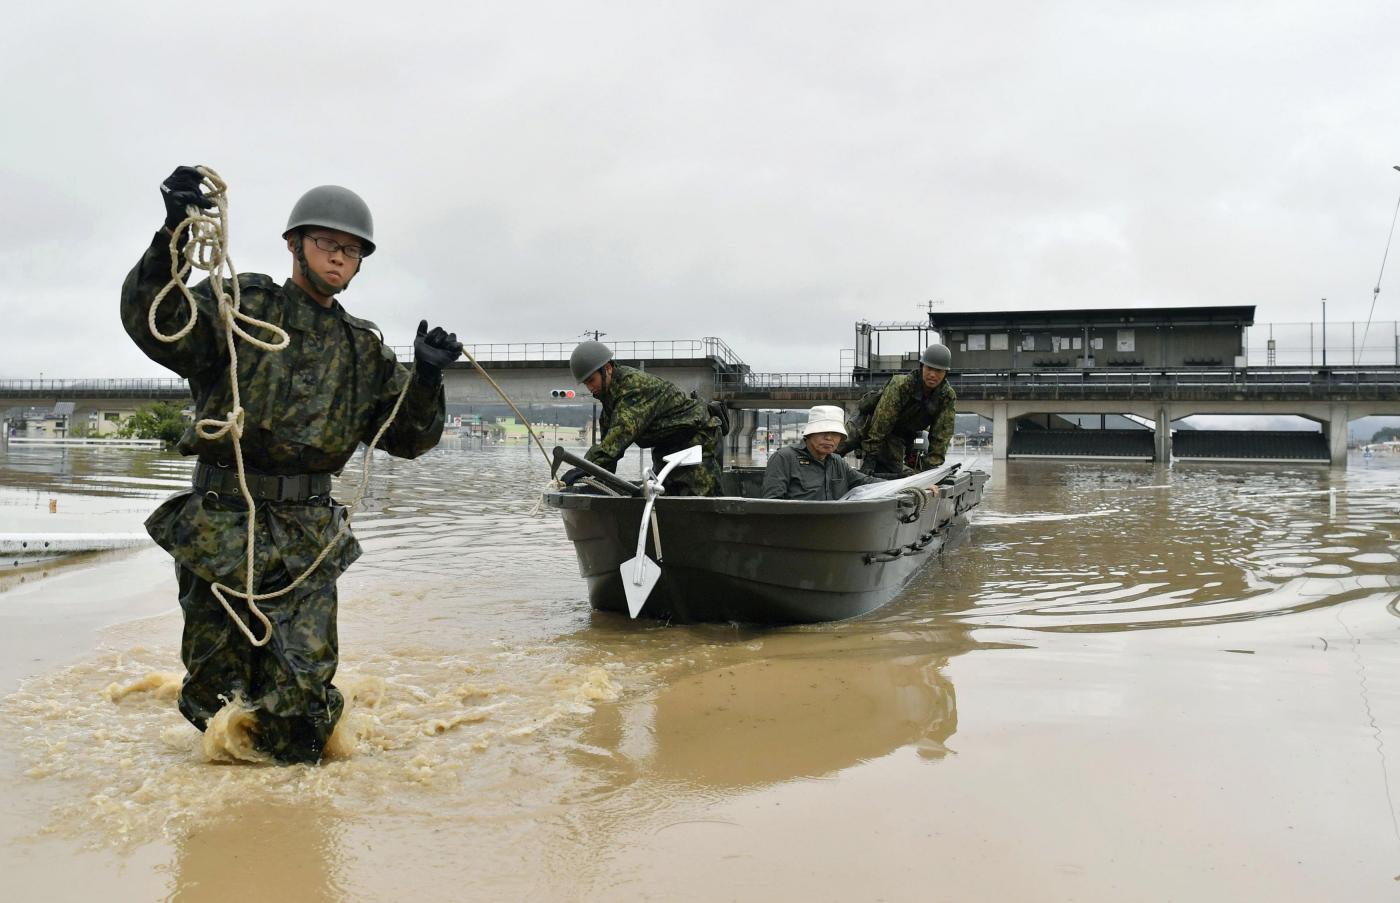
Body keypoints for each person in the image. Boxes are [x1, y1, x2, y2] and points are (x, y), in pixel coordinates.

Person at [121, 166, 463, 764]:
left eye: (351, 251)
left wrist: (428, 376)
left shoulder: (363, 348)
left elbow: (410, 437)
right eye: (328, 244)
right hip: (221, 525)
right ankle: (227, 832)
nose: (339, 258)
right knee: (215, 693)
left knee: (304, 700)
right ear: (295, 244)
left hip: (307, 537)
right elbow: (160, 324)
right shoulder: (242, 305)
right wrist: (174, 229)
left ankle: (299, 816)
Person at [559, 340, 724, 496]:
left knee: (700, 503)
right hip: (666, 448)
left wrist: (584, 467)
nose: (590, 388)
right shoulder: (610, 401)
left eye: (591, 380)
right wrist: (594, 480)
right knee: (662, 498)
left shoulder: (633, 389)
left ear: (608, 369)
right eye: (585, 384)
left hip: (697, 440)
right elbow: (608, 452)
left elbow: (618, 438)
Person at [838, 343, 957, 476]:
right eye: (929, 368)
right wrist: (871, 457)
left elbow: (942, 434)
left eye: (939, 371)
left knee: (894, 469)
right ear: (922, 367)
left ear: (946, 373)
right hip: (868, 423)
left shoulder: (946, 396)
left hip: (896, 435)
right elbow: (882, 421)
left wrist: (930, 468)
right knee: (836, 446)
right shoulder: (901, 385)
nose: (933, 375)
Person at [761, 405, 883, 500]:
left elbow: (867, 482)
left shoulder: (838, 463)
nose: (829, 438)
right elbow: (772, 504)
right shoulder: (784, 458)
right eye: (822, 431)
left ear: (841, 438)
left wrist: (901, 485)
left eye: (835, 433)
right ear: (809, 434)